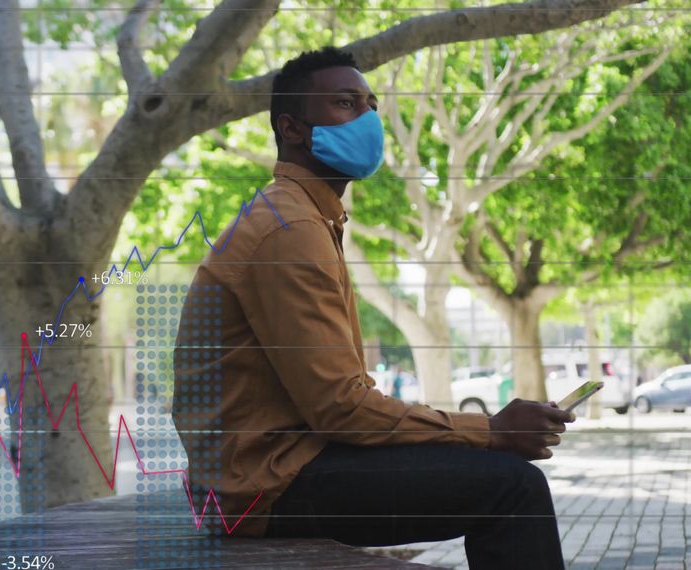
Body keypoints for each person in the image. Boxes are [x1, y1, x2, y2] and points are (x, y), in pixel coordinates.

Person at [171, 46, 574, 570]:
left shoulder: (302, 217)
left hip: (282, 468)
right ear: (292, 129)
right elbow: (341, 408)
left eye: (371, 105)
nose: (367, 119)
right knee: (514, 489)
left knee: (492, 475)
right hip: (266, 487)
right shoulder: (289, 229)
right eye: (345, 103)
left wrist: (478, 436)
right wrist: (490, 432)